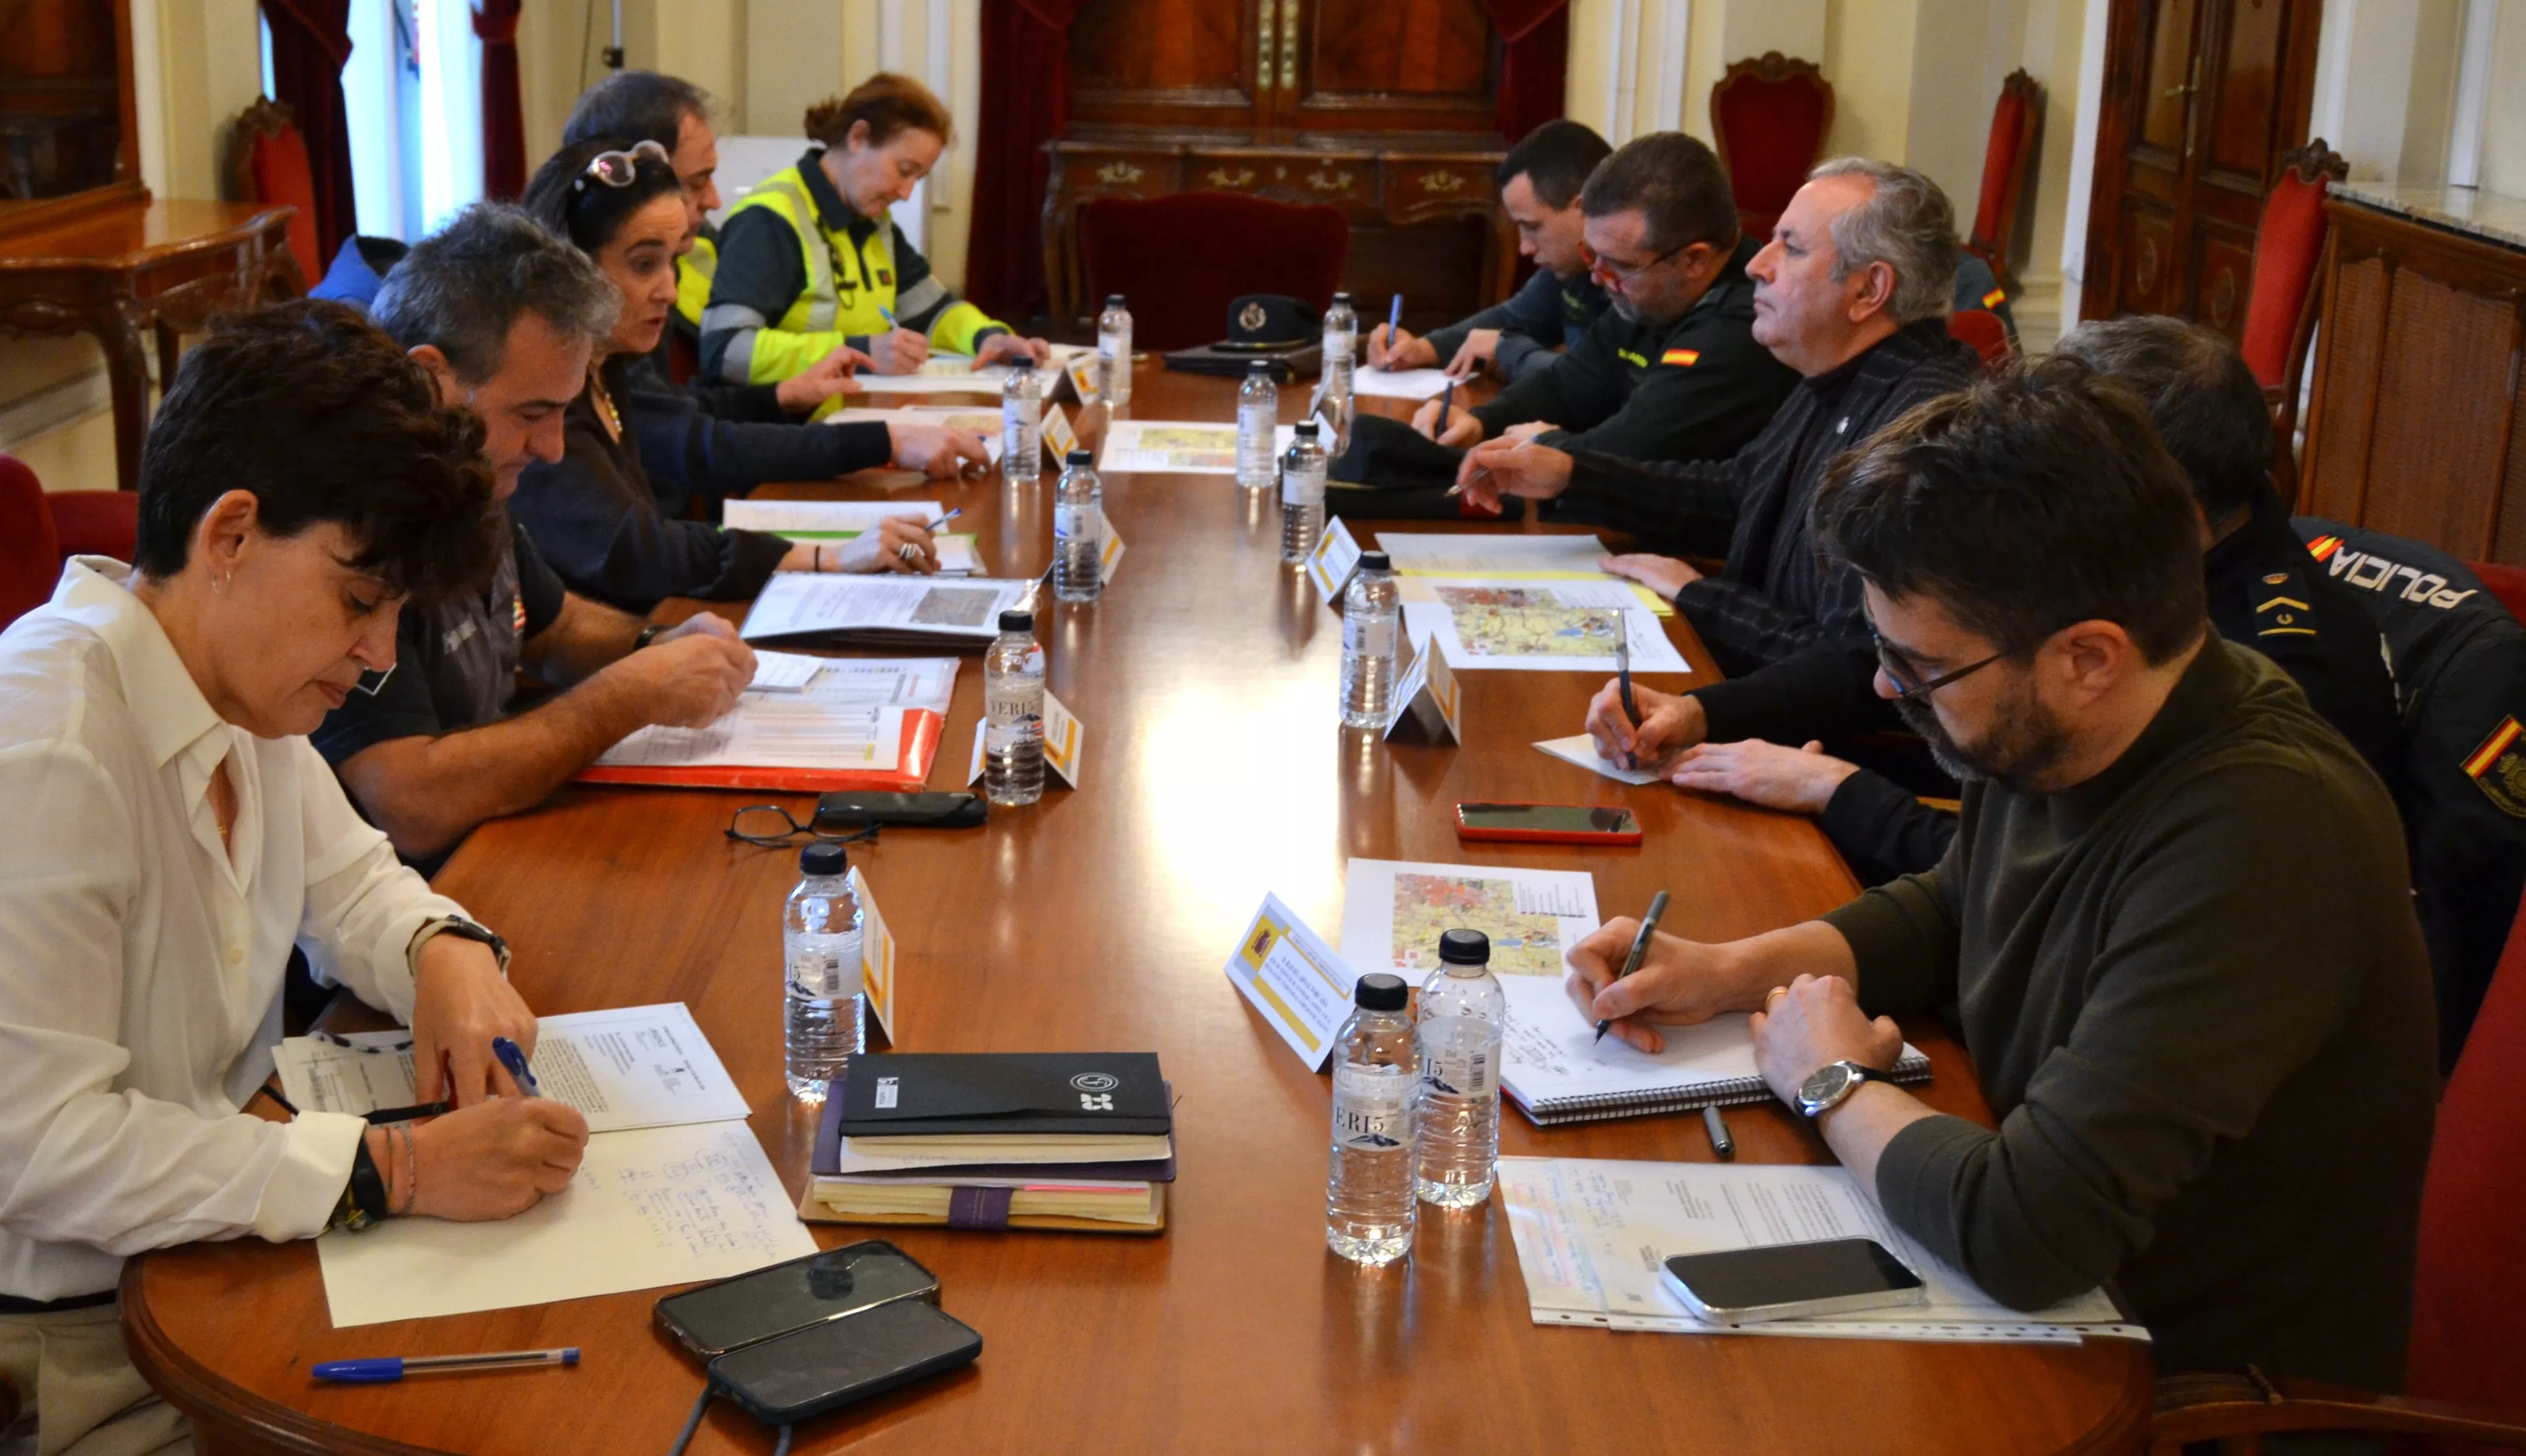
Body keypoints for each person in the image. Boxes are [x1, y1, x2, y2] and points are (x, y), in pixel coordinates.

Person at [1568, 360, 2434, 1392]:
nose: (1889, 686)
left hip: (2182, 1386)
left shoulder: (2262, 833)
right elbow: (1956, 906)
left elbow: (2027, 1233)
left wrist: (1829, 1079)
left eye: (1922, 665)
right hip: (2055, 1307)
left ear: (2087, 656)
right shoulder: (2065, 724)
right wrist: (1723, 969)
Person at [0, 302, 592, 1455]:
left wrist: (445, 952)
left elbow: (362, 888)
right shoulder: (50, 744)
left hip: (199, 1262)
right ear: (228, 534)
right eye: (359, 602)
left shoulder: (239, 695)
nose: (378, 654)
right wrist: (398, 1167)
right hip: (71, 1347)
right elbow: (38, 1144)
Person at [1663, 317, 2401, 887]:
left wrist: (1842, 793)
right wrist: (1705, 710)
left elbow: (2068, 875)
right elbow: (1888, 659)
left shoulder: (2283, 665)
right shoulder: (2102, 559)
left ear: (2149, 488)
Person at [1478, 159, 1979, 756]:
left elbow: (1855, 668)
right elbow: (1740, 491)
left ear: (1868, 290)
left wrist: (1700, 599)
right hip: (1767, 716)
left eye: (1788, 249)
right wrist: (1571, 472)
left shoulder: (1925, 433)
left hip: (1832, 759)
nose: (1754, 265)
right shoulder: (1841, 373)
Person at [327, 201, 766, 868]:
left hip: (496, 848)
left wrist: (656, 645)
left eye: (563, 412)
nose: (554, 448)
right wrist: (631, 693)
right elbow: (409, 800)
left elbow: (550, 627)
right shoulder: (346, 518)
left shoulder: (469, 469)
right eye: (533, 413)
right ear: (432, 377)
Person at [512, 140, 984, 614]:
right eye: (643, 265)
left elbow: (688, 410)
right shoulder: (544, 400)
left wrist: (781, 396)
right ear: (569, 269)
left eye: (674, 261)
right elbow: (636, 545)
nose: (670, 291)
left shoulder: (606, 367)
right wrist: (824, 557)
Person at [1410, 131, 1795, 470]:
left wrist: (1546, 446)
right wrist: (1480, 422)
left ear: (1693, 259)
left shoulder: (1747, 324)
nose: (1597, 277)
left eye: (1617, 265)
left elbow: (1634, 446)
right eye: (1592, 255)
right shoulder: (1648, 291)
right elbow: (1567, 386)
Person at [561, 69, 868, 426]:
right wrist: (873, 442)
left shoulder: (690, 247)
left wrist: (783, 396)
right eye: (697, 182)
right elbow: (680, 440)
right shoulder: (596, 304)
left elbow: (681, 405)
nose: (714, 200)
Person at [701, 73, 1051, 385]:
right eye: (903, 169)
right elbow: (726, 350)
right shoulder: (770, 221)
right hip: (788, 429)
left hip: (853, 410)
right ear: (858, 137)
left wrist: (986, 337)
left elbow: (932, 310)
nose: (906, 192)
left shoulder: (871, 220)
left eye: (919, 177)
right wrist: (860, 352)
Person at [1364, 120, 1612, 383]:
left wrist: (1509, 351)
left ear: (1583, 209)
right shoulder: (1572, 268)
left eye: (1532, 227)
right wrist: (1421, 349)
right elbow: (1512, 318)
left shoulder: (1639, 283)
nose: (1524, 248)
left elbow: (1603, 383)